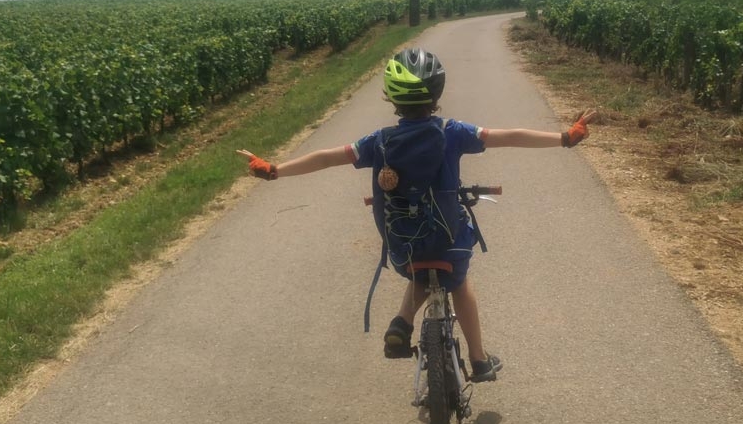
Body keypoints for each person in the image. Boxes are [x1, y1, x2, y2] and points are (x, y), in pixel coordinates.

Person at [238, 47, 595, 383]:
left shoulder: (377, 141)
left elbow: (329, 156)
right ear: (436, 93)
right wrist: (564, 137)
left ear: (391, 97)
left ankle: (402, 321)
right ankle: (479, 360)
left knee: (421, 274)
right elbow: (509, 136)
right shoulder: (452, 132)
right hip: (448, 239)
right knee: (458, 280)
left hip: (403, 244)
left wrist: (274, 169)